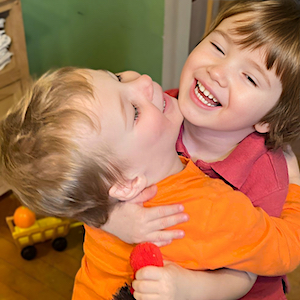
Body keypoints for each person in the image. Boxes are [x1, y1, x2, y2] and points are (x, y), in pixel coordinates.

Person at [1, 67, 300, 300]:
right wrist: (295, 185)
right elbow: (287, 248)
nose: (142, 79)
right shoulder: (208, 211)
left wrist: (107, 219)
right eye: (133, 111)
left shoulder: (96, 193)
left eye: (116, 77)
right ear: (126, 184)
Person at [100, 0, 300, 299]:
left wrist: (189, 288)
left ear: (268, 119)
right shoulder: (153, 111)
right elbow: (94, 167)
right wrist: (113, 219)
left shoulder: (265, 175)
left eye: (249, 77)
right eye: (218, 48)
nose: (217, 71)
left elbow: (249, 269)